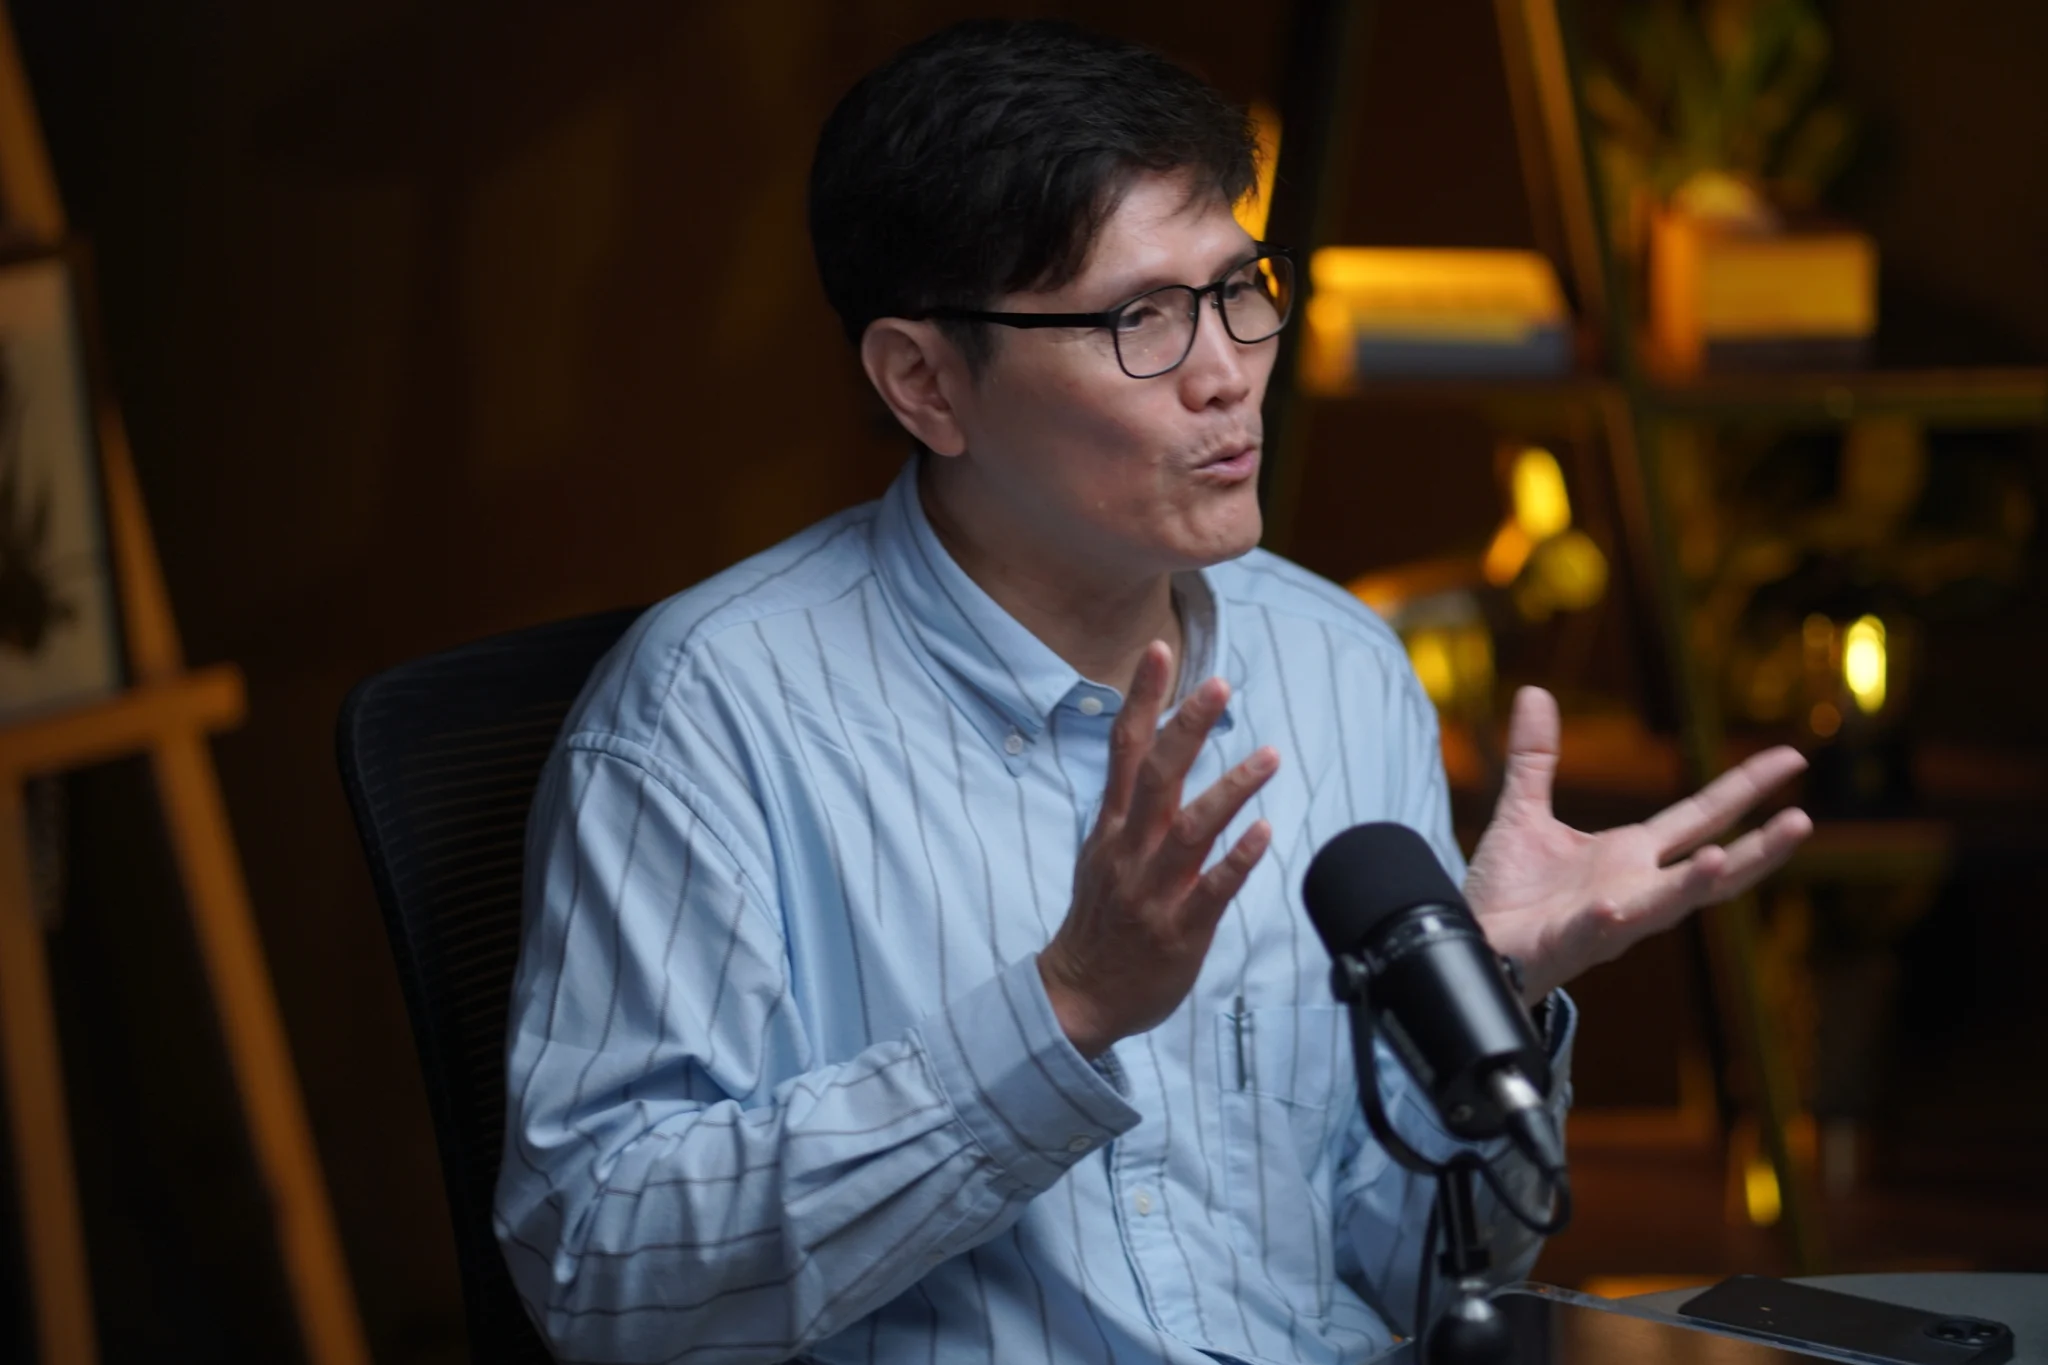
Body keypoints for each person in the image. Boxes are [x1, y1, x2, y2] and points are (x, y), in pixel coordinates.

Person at [495, 18, 1812, 1364]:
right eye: (1141, 319)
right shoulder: (711, 712)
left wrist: (1489, 1012)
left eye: (1241, 290)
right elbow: (604, 1280)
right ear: (925, 383)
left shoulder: (1342, 666)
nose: (1227, 372)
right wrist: (1063, 1011)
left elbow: (1412, 1282)